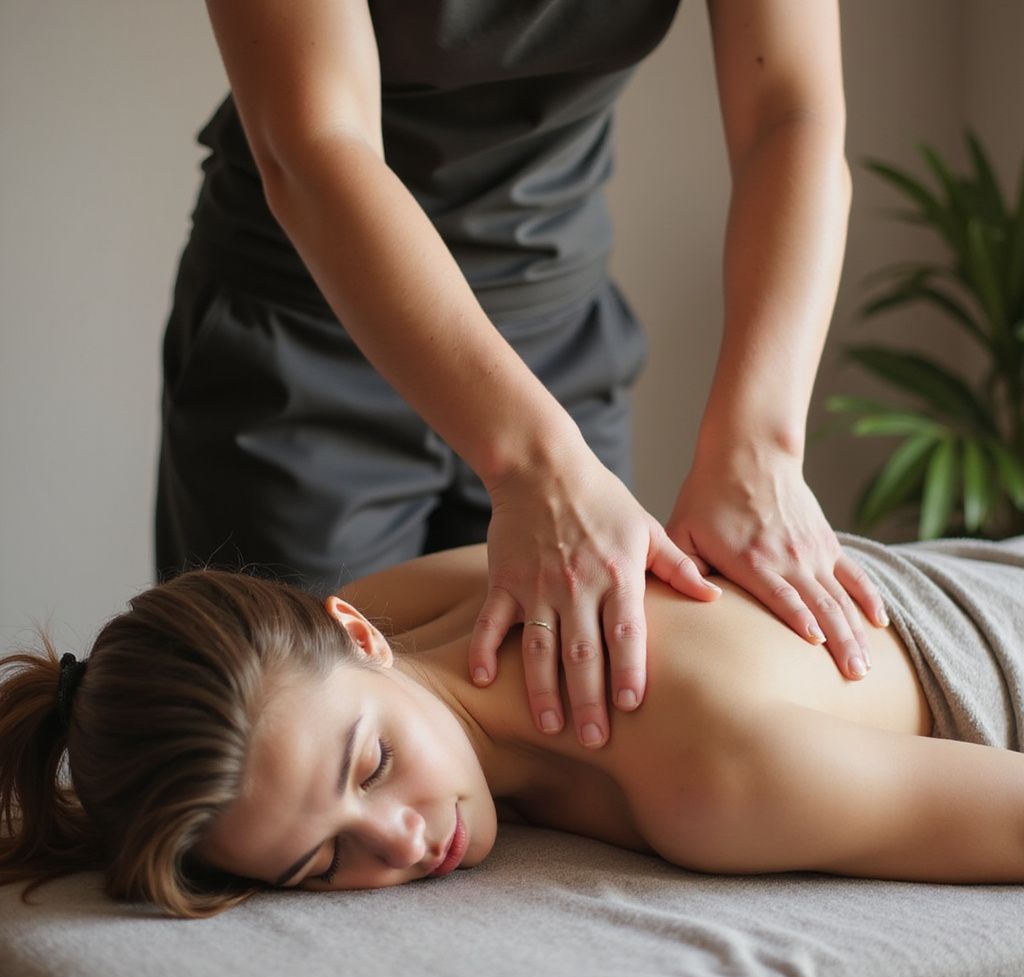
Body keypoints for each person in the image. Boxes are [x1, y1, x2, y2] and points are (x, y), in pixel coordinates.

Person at [156, 0, 886, 750]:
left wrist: (759, 445)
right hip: (305, 350)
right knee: (298, 755)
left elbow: (789, 111)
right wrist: (538, 464)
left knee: (585, 738)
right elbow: (314, 142)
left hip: (557, 342)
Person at [2, 533, 1022, 919]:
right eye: (321, 864)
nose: (399, 839)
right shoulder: (384, 619)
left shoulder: (713, 780)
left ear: (356, 632)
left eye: (372, 765)